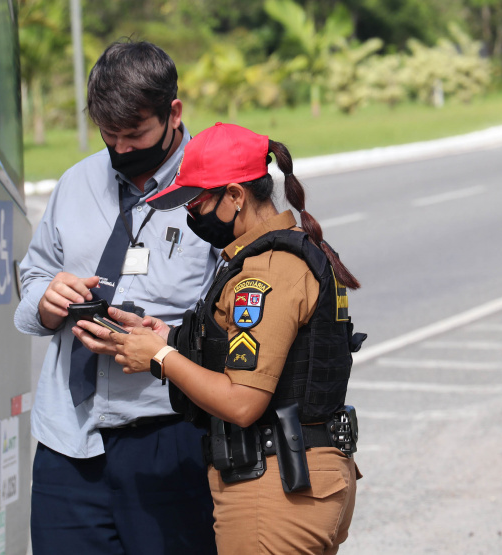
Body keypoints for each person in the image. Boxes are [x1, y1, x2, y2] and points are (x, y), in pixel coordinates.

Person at [109, 122, 365, 554]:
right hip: (301, 475)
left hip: (273, 489)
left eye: (197, 202)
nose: (191, 215)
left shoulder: (264, 271)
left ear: (235, 196)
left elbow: (243, 402)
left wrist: (163, 357)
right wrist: (168, 336)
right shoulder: (292, 250)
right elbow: (262, 350)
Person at [14, 40, 220, 555]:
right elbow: (34, 270)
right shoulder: (76, 182)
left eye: (136, 134)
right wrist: (46, 297)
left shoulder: (220, 193)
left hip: (171, 441)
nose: (123, 150)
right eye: (111, 136)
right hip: (68, 440)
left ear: (174, 113)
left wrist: (167, 345)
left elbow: (248, 330)